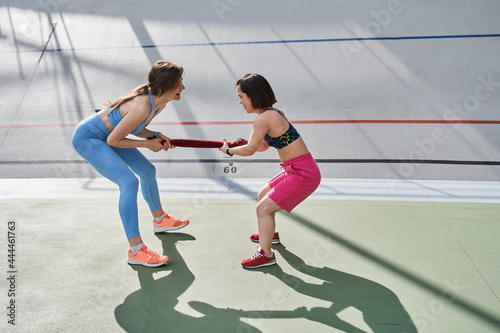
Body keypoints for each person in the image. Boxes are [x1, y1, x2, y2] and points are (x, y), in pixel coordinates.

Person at [72, 60, 189, 268]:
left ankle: (160, 219)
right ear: (164, 86)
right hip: (89, 138)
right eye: (178, 83)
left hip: (109, 135)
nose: (183, 87)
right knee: (129, 182)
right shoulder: (143, 104)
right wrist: (148, 143)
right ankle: (136, 250)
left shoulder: (160, 103)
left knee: (147, 170)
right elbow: (113, 141)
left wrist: (154, 134)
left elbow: (132, 126)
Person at [219, 73, 321, 269]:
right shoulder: (274, 113)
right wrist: (245, 143)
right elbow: (262, 146)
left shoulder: (263, 119)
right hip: (296, 169)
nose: (239, 101)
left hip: (303, 173)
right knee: (263, 195)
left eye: (241, 96)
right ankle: (269, 234)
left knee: (263, 208)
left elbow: (250, 150)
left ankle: (265, 254)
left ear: (253, 95)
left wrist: (229, 151)